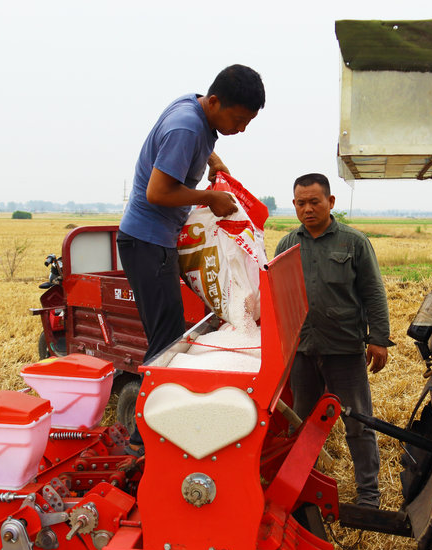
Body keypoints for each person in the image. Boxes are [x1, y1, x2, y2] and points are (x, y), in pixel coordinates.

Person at [117, 64, 265, 452]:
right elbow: (157, 193)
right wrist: (208, 197)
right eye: (238, 120)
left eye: (248, 122)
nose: (242, 129)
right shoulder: (187, 125)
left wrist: (213, 162)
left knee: (168, 338)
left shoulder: (194, 108)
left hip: (153, 240)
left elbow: (199, 139)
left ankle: (156, 430)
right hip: (148, 241)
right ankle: (146, 439)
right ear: (214, 102)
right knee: (165, 344)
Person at [274, 172, 393, 508]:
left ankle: (368, 494)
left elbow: (373, 293)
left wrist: (379, 339)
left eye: (315, 201)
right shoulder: (287, 245)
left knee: (357, 421)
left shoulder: (353, 243)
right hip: (303, 350)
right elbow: (280, 296)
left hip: (344, 349)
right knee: (302, 423)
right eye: (301, 203)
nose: (307, 208)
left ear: (331, 202)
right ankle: (302, 489)